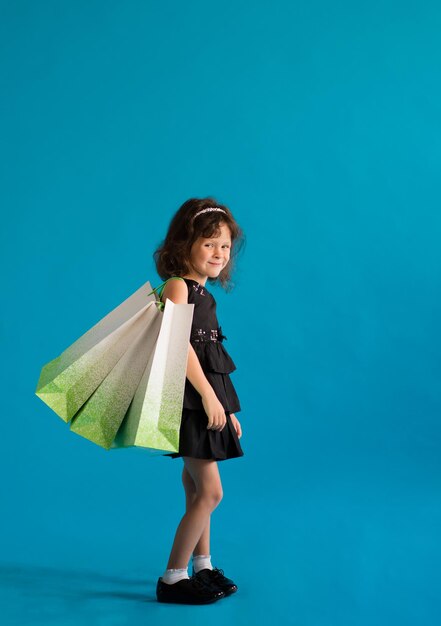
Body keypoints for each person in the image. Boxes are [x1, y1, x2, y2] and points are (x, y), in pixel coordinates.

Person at [152, 197, 245, 605]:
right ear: (184, 244)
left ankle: (203, 565)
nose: (219, 254)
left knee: (194, 490)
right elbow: (179, 347)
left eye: (224, 246)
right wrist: (208, 398)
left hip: (205, 402)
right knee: (210, 493)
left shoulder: (206, 295)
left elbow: (209, 358)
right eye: (209, 244)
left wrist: (224, 407)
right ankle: (173, 577)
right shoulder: (178, 286)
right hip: (189, 403)